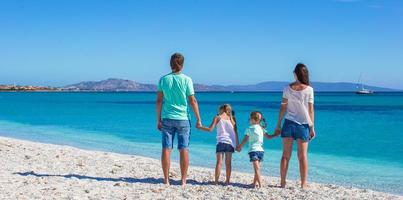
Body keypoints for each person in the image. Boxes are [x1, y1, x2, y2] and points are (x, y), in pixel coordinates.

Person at [156, 53, 202, 187]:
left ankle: (166, 180)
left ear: (170, 63)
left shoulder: (163, 80)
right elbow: (192, 101)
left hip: (167, 117)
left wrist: (158, 119)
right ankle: (183, 180)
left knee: (166, 148)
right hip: (183, 119)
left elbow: (159, 101)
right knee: (184, 149)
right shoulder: (187, 79)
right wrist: (198, 119)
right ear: (182, 64)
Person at [274, 63, 316, 189]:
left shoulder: (287, 88)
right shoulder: (309, 89)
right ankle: (303, 184)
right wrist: (312, 128)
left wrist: (278, 124)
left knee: (285, 155)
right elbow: (311, 110)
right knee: (302, 157)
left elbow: (283, 107)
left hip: (288, 123)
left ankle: (282, 182)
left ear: (295, 74)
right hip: (303, 125)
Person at [197, 104, 239, 185]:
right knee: (228, 163)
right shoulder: (232, 119)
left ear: (222, 110)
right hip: (230, 143)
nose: (218, 111)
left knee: (219, 162)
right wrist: (237, 145)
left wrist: (200, 127)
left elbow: (210, 129)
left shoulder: (218, 117)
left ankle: (216, 181)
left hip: (221, 142)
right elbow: (235, 132)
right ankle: (227, 181)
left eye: (219, 110)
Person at [236, 111, 277, 188]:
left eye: (249, 119)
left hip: (255, 151)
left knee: (257, 169)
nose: (249, 121)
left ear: (253, 119)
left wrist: (239, 146)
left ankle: (260, 185)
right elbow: (269, 137)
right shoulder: (261, 128)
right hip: (259, 151)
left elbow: (245, 139)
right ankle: (254, 183)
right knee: (257, 168)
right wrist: (276, 134)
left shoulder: (250, 128)